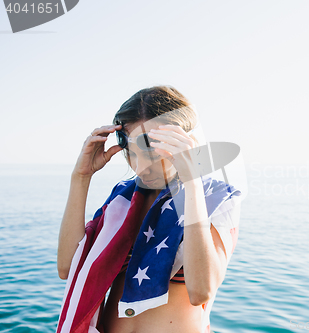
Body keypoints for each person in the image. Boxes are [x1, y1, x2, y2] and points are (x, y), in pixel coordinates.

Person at [56, 86, 242, 333]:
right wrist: (80, 178)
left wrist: (191, 181)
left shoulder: (214, 198)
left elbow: (201, 290)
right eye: (132, 153)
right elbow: (68, 268)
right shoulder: (120, 202)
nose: (142, 167)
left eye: (154, 151)